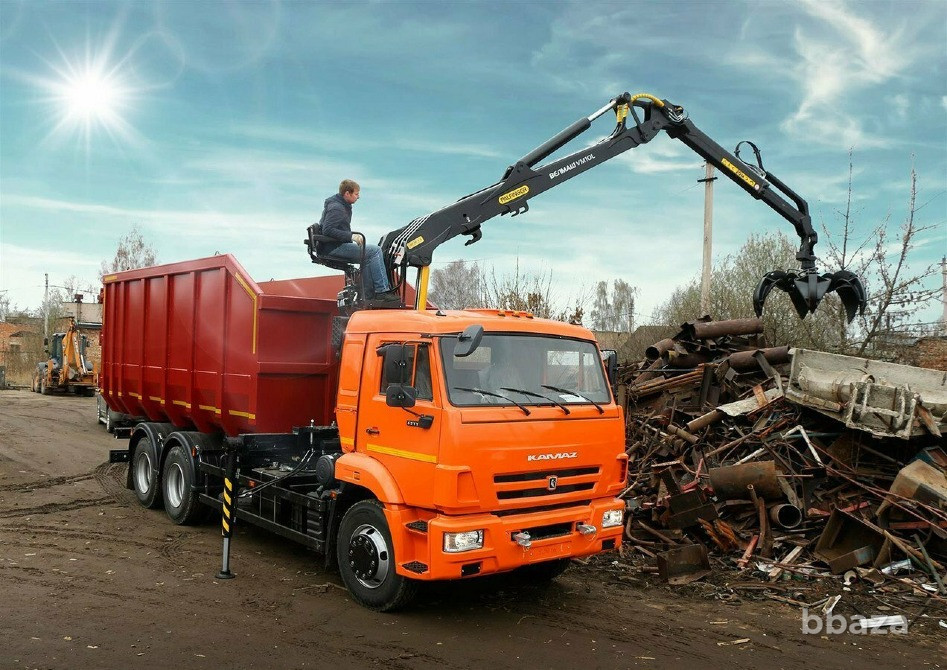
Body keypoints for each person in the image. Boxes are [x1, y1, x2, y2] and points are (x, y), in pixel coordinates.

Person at [317, 179, 399, 302]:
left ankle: (367, 295)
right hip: (334, 248)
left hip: (333, 246)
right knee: (375, 251)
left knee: (368, 256)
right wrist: (351, 236)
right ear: (347, 193)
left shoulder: (340, 205)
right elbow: (327, 230)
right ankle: (382, 291)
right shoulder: (337, 208)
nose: (358, 197)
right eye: (356, 194)